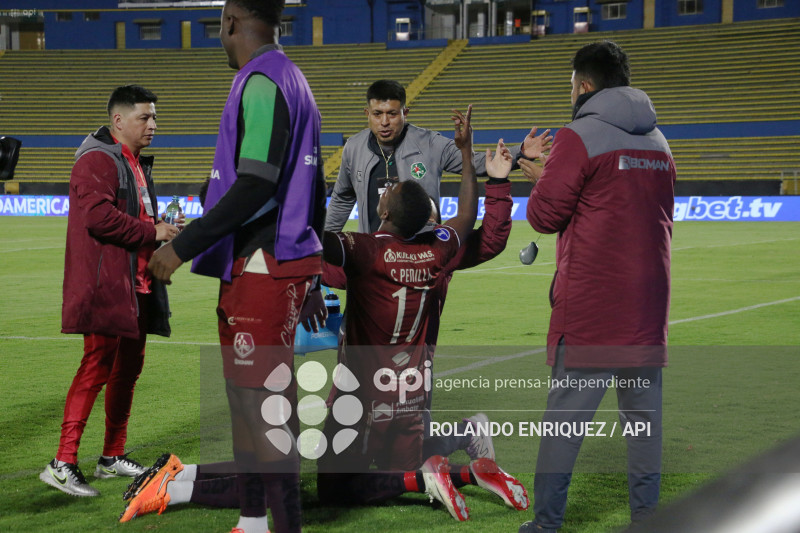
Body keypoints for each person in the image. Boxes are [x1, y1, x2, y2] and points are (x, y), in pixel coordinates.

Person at [144, 1, 327, 532]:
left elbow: (257, 182)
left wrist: (181, 246)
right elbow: (307, 185)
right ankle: (250, 520)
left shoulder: (264, 80)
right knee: (249, 406)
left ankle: (283, 526)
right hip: (268, 264)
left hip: (262, 266)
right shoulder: (293, 78)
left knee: (264, 409)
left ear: (228, 21)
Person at [315, 106, 529, 521]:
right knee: (392, 462)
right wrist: (476, 164)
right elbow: (471, 222)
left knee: (335, 484)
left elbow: (312, 244)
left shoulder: (363, 252)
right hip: (413, 389)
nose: (385, 190)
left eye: (388, 194)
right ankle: (464, 449)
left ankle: (436, 474)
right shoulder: (441, 251)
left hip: (363, 389)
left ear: (384, 213)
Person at [518, 40, 676, 533]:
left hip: (590, 308)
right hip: (647, 307)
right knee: (643, 425)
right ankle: (647, 520)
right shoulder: (659, 140)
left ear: (583, 85)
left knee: (564, 423)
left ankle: (546, 525)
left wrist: (543, 179)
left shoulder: (578, 134)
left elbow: (545, 216)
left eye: (571, 84)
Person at [40, 85, 179, 498]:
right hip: (107, 283)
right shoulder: (97, 159)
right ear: (119, 121)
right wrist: (152, 231)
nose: (153, 125)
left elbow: (136, 216)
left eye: (154, 117)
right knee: (96, 364)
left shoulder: (132, 161)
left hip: (137, 283)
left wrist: (163, 231)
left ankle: (110, 457)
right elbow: (99, 218)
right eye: (144, 118)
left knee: (128, 370)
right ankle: (62, 463)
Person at [324, 78, 549, 233]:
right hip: (371, 253)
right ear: (367, 114)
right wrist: (324, 242)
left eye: (392, 114)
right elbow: (342, 198)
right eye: (377, 114)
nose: (384, 122)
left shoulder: (430, 143)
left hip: (421, 253)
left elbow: (477, 162)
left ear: (405, 113)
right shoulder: (353, 147)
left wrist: (520, 152)